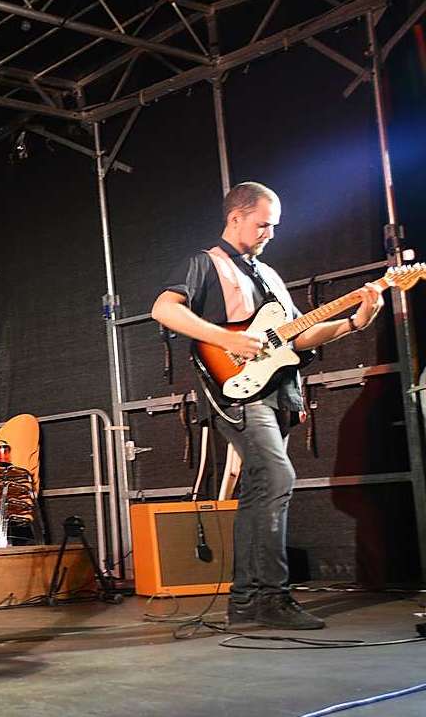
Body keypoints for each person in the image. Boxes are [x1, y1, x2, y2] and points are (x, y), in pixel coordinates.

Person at [151, 182, 384, 630]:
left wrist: (356, 320)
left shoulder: (270, 275)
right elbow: (163, 309)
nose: (270, 233)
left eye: (274, 226)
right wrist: (226, 338)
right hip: (235, 387)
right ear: (235, 217)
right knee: (278, 476)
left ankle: (247, 602)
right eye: (263, 224)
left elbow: (296, 335)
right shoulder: (206, 263)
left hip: (277, 390)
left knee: (262, 489)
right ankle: (273, 597)